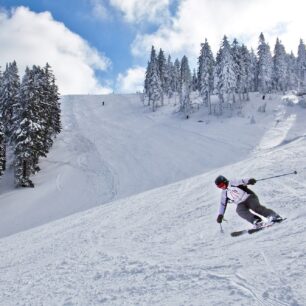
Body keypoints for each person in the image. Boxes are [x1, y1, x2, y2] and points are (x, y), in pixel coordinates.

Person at [215, 175, 283, 228]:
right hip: (240, 203)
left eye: (221, 185)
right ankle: (257, 221)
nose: (221, 187)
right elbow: (222, 204)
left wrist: (249, 180)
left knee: (256, 207)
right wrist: (220, 215)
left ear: (225, 181)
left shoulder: (233, 182)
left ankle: (273, 216)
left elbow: (242, 180)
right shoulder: (224, 193)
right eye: (219, 187)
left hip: (249, 197)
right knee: (239, 211)